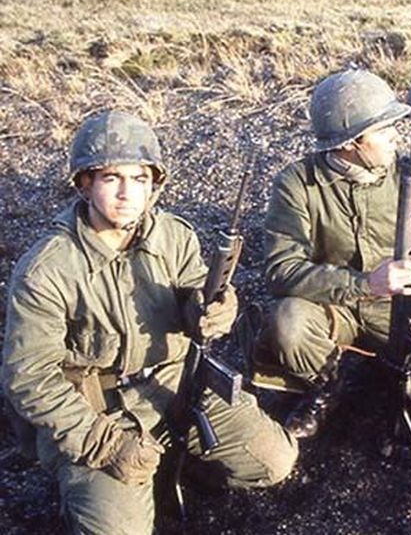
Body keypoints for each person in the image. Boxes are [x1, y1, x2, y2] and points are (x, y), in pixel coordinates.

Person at [2, 111, 297, 535]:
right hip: (98, 414)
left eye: (139, 179)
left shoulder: (174, 236)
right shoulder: (47, 269)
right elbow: (29, 380)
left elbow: (196, 292)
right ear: (84, 183)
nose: (127, 194)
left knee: (276, 461)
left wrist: (212, 310)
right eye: (111, 178)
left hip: (177, 385)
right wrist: (107, 444)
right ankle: (88, 496)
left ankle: (174, 463)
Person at [252, 70, 411, 438]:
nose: (395, 137)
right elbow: (280, 270)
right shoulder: (296, 184)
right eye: (384, 130)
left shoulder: (408, 173)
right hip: (331, 304)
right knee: (289, 322)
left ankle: (379, 366)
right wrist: (365, 283)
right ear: (352, 142)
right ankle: (326, 387)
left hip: (400, 310)